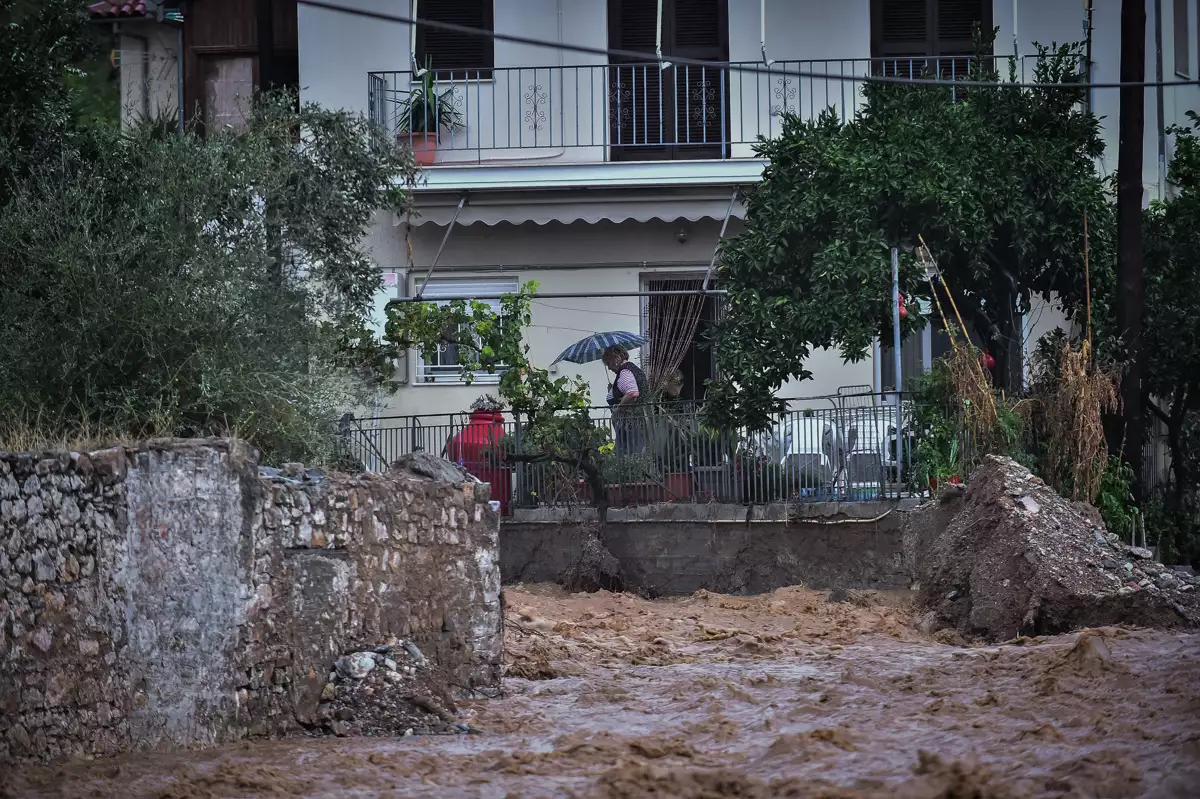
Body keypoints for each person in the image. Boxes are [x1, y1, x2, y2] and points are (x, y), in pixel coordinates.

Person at [602, 345, 648, 452]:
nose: (609, 368)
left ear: (617, 358)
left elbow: (632, 393)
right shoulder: (633, 369)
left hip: (629, 426)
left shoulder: (625, 372)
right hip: (637, 424)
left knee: (628, 456)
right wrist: (613, 390)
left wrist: (618, 409)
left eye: (608, 363)